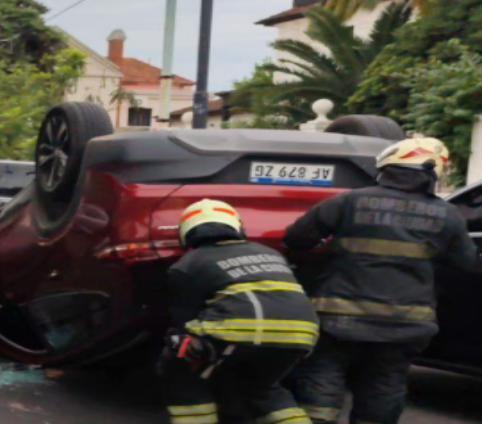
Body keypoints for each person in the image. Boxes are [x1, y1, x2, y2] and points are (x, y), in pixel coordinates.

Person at [284, 138, 479, 424]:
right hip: (405, 323)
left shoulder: (349, 201)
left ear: (386, 168)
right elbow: (466, 263)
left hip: (337, 318)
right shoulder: (448, 214)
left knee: (322, 380)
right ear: (431, 172)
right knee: (383, 386)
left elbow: (297, 238)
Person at [163, 199, 319, 424]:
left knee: (182, 370)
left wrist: (184, 345)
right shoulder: (269, 252)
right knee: (261, 388)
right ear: (237, 227)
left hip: (240, 331)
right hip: (301, 334)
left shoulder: (187, 264)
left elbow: (184, 320)